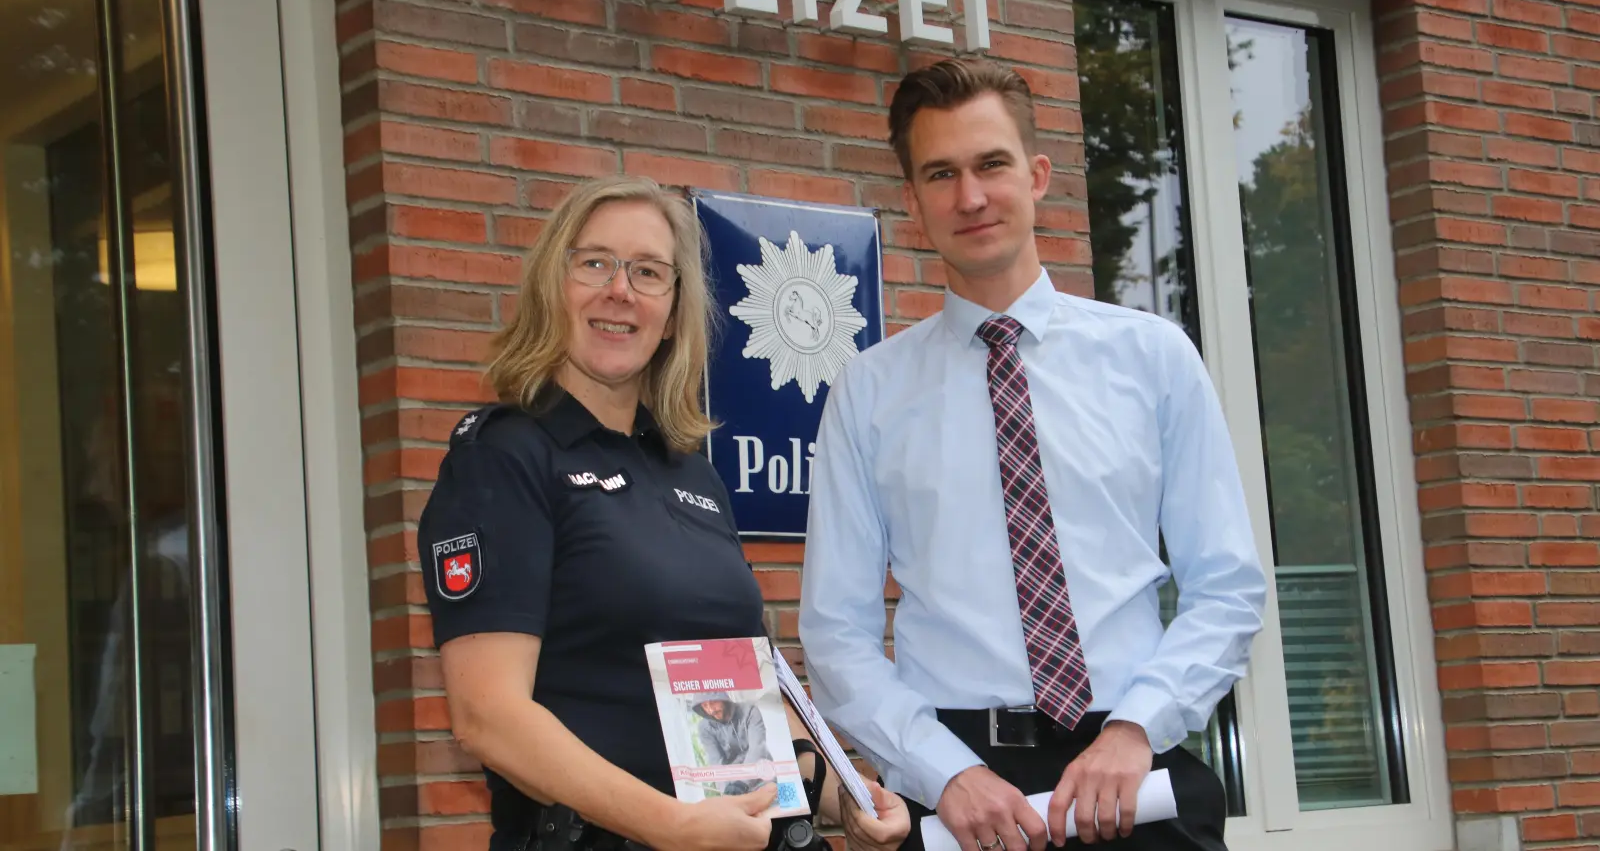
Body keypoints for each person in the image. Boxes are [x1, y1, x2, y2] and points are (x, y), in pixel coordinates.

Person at [798, 58, 1268, 851]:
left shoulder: (1153, 358)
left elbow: (1227, 586)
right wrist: (943, 771)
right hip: (958, 796)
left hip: (1135, 775)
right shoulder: (867, 392)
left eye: (991, 164)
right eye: (941, 174)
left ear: (1037, 174)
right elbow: (835, 631)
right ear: (912, 200)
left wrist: (1137, 727)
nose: (970, 197)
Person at [418, 175, 911, 851]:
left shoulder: (692, 473)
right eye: (595, 263)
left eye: (648, 272)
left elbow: (744, 701)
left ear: (675, 311)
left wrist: (845, 794)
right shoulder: (504, 458)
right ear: (551, 286)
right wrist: (671, 826)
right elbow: (488, 717)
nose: (619, 290)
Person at [689, 692, 770, 795]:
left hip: (762, 776)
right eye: (705, 706)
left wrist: (743, 782)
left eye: (713, 702)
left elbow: (757, 748)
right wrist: (725, 790)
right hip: (732, 781)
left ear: (723, 698)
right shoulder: (704, 727)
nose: (711, 710)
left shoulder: (750, 711)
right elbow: (716, 762)